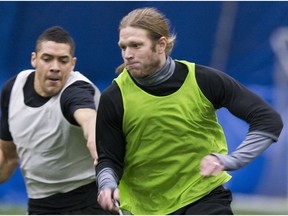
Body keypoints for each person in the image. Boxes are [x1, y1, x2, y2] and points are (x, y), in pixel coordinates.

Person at [95, 7, 284, 215]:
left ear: (161, 45)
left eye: (136, 46)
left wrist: (228, 160)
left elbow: (268, 120)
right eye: (123, 47)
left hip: (205, 196)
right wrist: (106, 185)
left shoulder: (204, 80)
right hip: (149, 208)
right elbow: (109, 159)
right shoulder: (114, 97)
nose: (127, 55)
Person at [0, 26, 109, 215]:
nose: (55, 67)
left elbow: (88, 118)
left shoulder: (76, 90)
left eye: (63, 60)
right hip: (40, 205)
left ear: (72, 64)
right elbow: (8, 156)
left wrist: (95, 137)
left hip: (90, 203)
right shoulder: (13, 89)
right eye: (47, 58)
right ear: (34, 59)